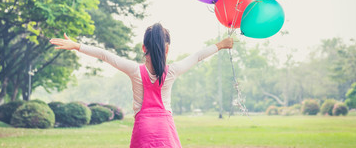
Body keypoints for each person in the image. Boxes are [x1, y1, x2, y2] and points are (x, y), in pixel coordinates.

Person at [50, 23, 233, 148]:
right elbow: (198, 56)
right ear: (167, 49)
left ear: (144, 48)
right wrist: (221, 45)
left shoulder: (135, 71)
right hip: (165, 132)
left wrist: (77, 45)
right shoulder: (172, 71)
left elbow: (104, 55)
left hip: (143, 130)